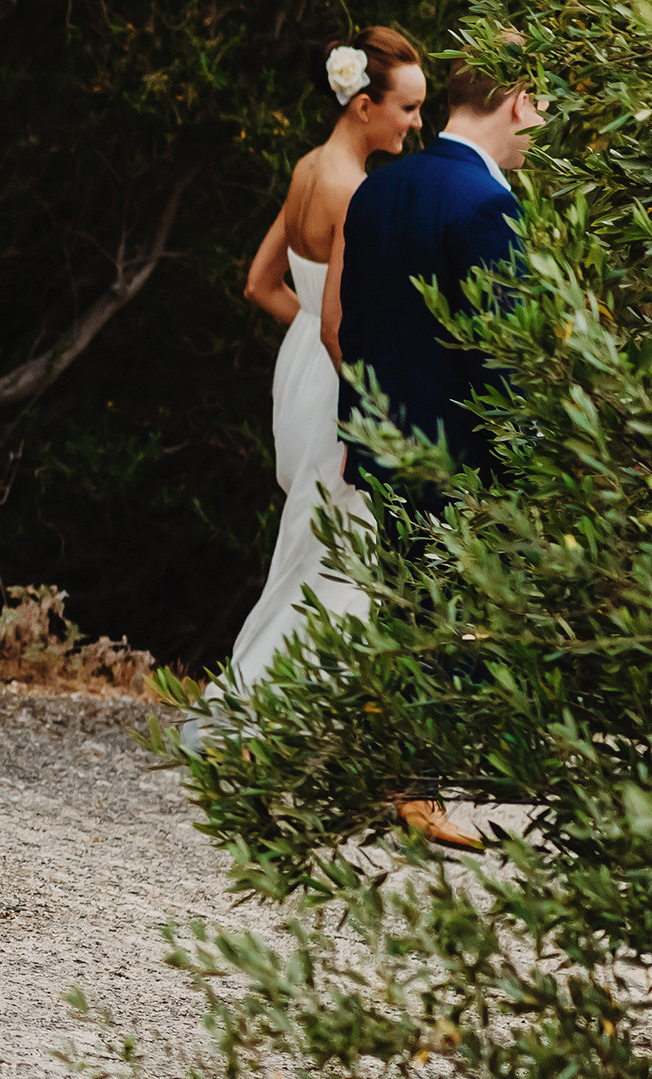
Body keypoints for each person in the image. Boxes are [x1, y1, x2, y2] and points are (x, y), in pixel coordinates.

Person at [324, 51, 542, 849]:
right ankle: (420, 784)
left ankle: (403, 777)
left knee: (408, 604)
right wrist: (532, 466)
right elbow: (506, 354)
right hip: (462, 453)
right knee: (451, 615)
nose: (536, 131)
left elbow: (354, 326)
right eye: (537, 109)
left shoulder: (382, 188)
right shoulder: (488, 206)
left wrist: (358, 429)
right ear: (514, 104)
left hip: (386, 441)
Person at [184, 29, 423, 755]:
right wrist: (378, 414)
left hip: (300, 378)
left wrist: (314, 336)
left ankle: (266, 714)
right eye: (407, 108)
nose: (416, 123)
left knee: (309, 549)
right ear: (362, 106)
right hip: (336, 386)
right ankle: (265, 719)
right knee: (340, 556)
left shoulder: (306, 169)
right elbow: (337, 330)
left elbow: (261, 284)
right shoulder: (362, 194)